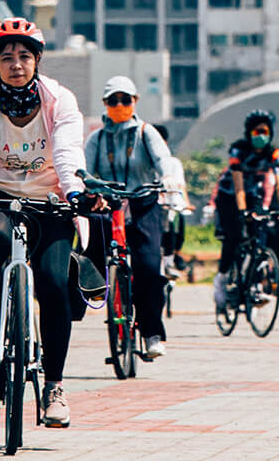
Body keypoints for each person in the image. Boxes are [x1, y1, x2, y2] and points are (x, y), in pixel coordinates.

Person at [0, 18, 87, 428]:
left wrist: (74, 188)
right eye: (6, 57)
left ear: (37, 60)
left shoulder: (60, 100)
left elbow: (67, 149)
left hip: (51, 201)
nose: (16, 64)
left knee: (55, 284)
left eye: (24, 56)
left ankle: (55, 388)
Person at [83, 76, 179, 359]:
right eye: (114, 101)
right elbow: (85, 170)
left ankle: (152, 332)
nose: (120, 105)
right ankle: (94, 293)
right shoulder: (97, 138)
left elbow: (163, 160)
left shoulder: (145, 132)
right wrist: (86, 186)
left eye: (126, 100)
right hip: (107, 205)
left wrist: (170, 178)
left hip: (142, 203)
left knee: (149, 268)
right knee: (89, 255)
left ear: (135, 102)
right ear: (105, 104)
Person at [212, 110, 279, 309]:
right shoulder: (238, 150)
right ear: (249, 133)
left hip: (254, 194)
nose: (261, 136)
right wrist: (243, 212)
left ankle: (254, 284)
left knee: (260, 234)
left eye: (265, 131)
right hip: (230, 195)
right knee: (234, 235)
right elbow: (238, 185)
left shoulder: (275, 154)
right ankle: (221, 278)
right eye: (257, 132)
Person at [152, 124, 192, 279]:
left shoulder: (173, 163)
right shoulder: (143, 161)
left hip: (168, 204)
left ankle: (170, 261)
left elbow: (181, 185)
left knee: (173, 228)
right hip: (149, 204)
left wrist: (186, 203)